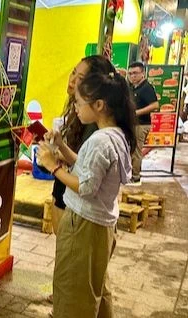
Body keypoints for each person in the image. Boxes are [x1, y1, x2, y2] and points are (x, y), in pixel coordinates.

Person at [37, 71, 136, 317]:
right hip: (101, 226)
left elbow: (86, 186)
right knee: (94, 289)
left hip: (84, 225)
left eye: (80, 104)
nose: (77, 109)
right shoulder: (116, 135)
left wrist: (53, 166)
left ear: (99, 105)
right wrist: (60, 147)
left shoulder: (100, 140)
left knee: (72, 294)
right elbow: (87, 167)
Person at [50, 56, 117, 236]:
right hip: (67, 195)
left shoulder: (97, 129)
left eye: (80, 79)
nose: (72, 81)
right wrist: (60, 147)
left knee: (70, 255)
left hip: (78, 206)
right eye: (73, 73)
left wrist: (53, 164)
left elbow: (86, 181)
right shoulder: (82, 113)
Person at [128, 61, 158, 184]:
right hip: (134, 124)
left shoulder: (146, 87)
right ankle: (131, 174)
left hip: (141, 124)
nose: (132, 76)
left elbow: (155, 105)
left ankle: (135, 177)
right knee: (131, 150)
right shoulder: (134, 87)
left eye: (135, 73)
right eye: (130, 74)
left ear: (142, 73)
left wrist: (137, 112)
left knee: (136, 151)